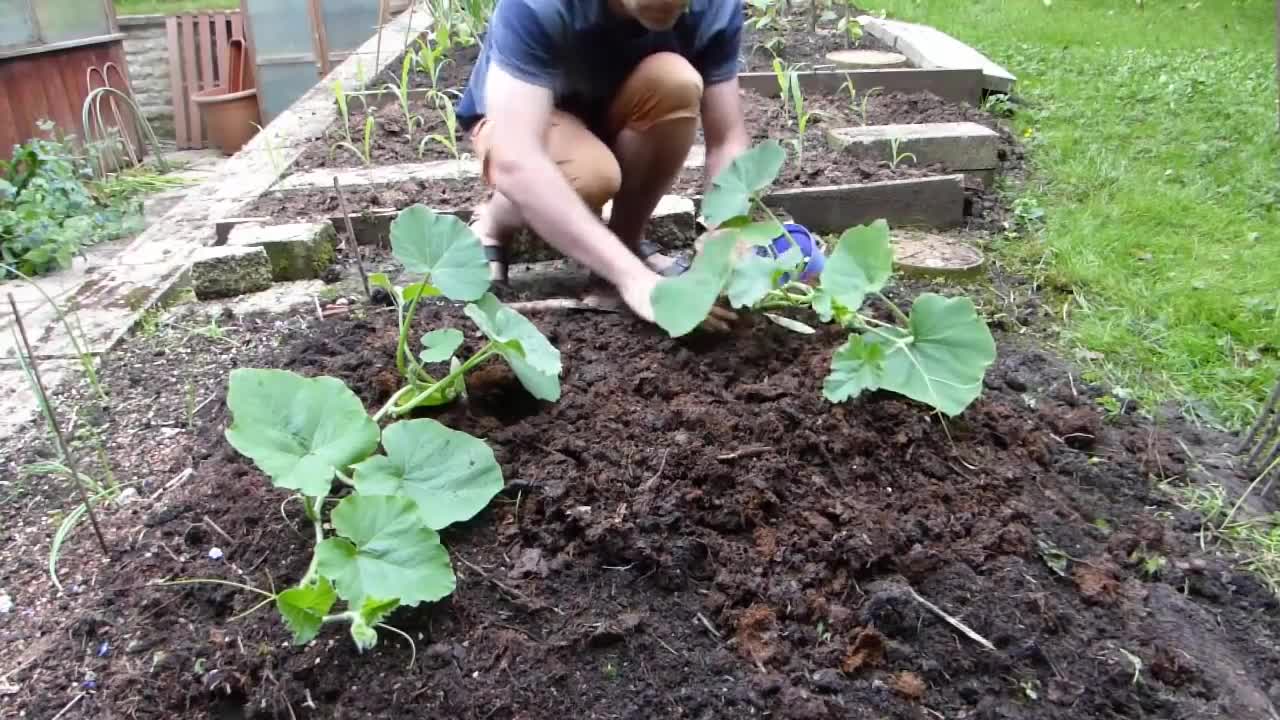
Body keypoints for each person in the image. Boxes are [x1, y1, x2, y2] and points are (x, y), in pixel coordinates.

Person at [455, 0, 750, 328]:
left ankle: (625, 243)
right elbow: (517, 157)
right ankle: (493, 224)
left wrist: (725, 229)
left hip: (619, 107)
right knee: (590, 175)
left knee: (677, 82)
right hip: (525, 125)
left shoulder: (714, 6)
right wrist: (634, 279)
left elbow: (727, 139)